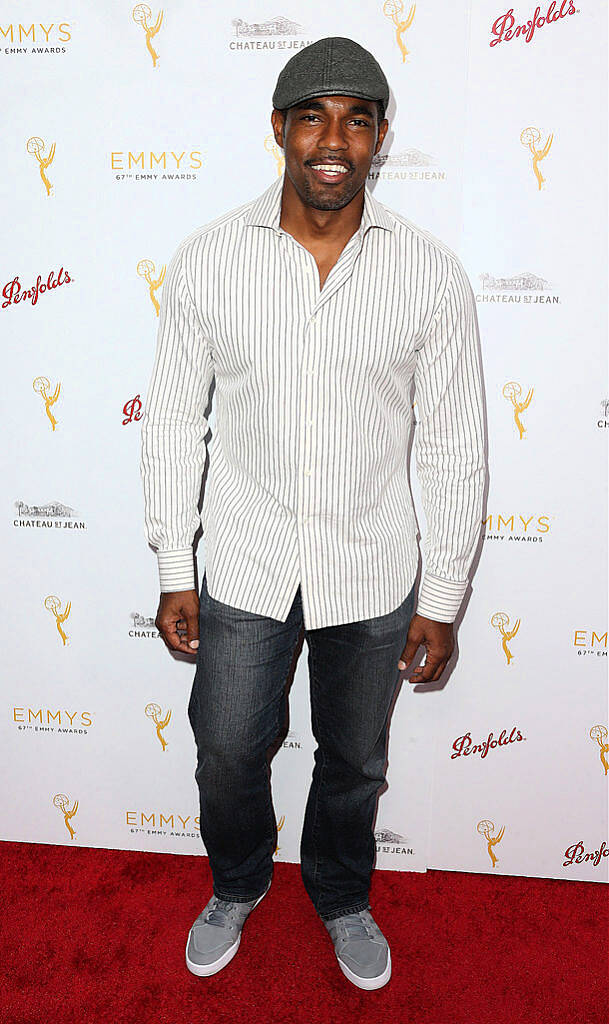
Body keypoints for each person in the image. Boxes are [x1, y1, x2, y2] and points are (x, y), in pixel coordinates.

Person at [140, 35, 486, 991]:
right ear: (279, 130)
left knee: (355, 762)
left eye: (357, 118)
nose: (333, 139)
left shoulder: (429, 273)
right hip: (247, 566)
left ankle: (340, 895)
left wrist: (444, 595)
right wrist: (177, 565)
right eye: (312, 116)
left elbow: (453, 444)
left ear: (379, 137)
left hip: (374, 571)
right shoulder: (210, 259)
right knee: (225, 750)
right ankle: (239, 882)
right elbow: (173, 420)